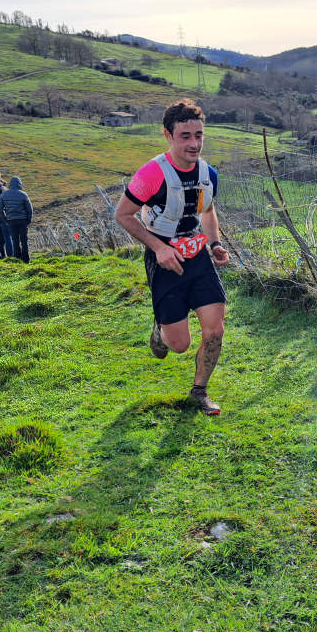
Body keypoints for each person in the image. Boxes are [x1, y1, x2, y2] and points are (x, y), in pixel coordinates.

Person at [114, 99, 230, 416]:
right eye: (185, 136)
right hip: (163, 258)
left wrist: (215, 243)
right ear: (168, 135)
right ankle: (161, 329)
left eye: (199, 135)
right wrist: (159, 248)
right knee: (179, 345)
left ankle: (200, 392)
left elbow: (206, 210)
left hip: (196, 255)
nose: (194, 144)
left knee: (215, 330)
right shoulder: (152, 173)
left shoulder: (209, 174)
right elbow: (123, 215)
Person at [0, 176, 33, 262]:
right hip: (23, 220)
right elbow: (30, 209)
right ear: (19, 184)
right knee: (24, 240)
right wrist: (28, 220)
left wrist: (6, 220)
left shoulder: (4, 194)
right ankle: (26, 259)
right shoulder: (23, 194)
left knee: (15, 240)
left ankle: (17, 258)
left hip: (11, 221)